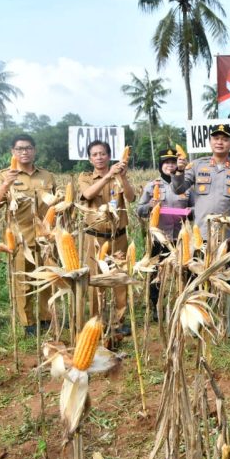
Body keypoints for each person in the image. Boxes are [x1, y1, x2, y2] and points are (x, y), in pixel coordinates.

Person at [171, 123, 230, 337]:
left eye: (225, 138)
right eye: (216, 138)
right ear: (210, 142)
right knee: (197, 276)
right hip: (202, 232)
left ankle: (229, 320)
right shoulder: (197, 166)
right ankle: (198, 317)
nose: (219, 141)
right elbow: (179, 188)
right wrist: (179, 170)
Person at [0, 134, 57, 335]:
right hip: (20, 240)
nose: (24, 152)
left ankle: (46, 318)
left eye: (28, 148)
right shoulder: (4, 175)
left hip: (46, 239)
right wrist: (6, 185)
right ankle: (28, 322)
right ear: (13, 152)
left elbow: (55, 203)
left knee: (48, 279)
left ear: (34, 150)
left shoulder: (46, 176)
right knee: (23, 283)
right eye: (19, 149)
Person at [78, 140, 136, 335]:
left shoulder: (119, 177)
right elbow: (87, 195)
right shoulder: (85, 177)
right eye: (95, 154)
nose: (99, 157)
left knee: (119, 278)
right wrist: (107, 176)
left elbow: (131, 198)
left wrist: (123, 178)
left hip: (117, 236)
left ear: (109, 156)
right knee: (95, 279)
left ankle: (120, 321)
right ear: (89, 158)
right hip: (94, 238)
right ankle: (97, 320)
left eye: (102, 153)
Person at [136, 148, 191, 317]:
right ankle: (157, 306)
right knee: (156, 273)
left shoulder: (187, 184)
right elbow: (139, 210)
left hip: (180, 236)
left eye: (173, 162)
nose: (170, 165)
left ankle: (183, 302)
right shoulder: (152, 185)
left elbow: (196, 206)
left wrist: (191, 211)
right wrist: (149, 206)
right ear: (161, 166)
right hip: (159, 236)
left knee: (185, 271)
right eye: (166, 163)